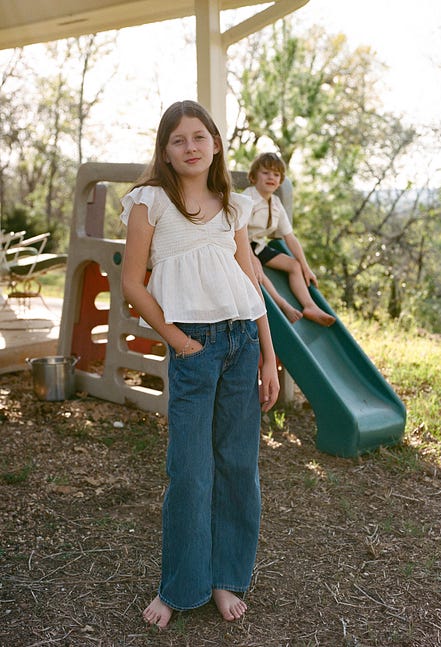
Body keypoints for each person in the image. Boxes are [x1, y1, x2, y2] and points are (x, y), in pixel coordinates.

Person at [120, 100, 280, 629]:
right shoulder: (150, 202)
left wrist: (269, 358)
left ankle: (225, 577)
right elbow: (132, 283)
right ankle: (180, 585)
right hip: (193, 345)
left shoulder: (233, 207)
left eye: (199, 137)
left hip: (242, 342)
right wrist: (176, 340)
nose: (190, 147)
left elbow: (250, 283)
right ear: (165, 151)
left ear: (215, 144)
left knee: (237, 466)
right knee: (189, 471)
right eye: (178, 139)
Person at [243, 152, 336, 327]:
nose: (271, 177)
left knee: (294, 265)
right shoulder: (247, 199)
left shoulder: (276, 203)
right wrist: (252, 259)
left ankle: (310, 306)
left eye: (276, 174)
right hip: (240, 245)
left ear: (280, 181)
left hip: (258, 246)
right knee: (258, 271)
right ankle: (283, 305)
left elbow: (290, 237)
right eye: (265, 173)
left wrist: (306, 267)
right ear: (253, 177)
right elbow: (238, 231)